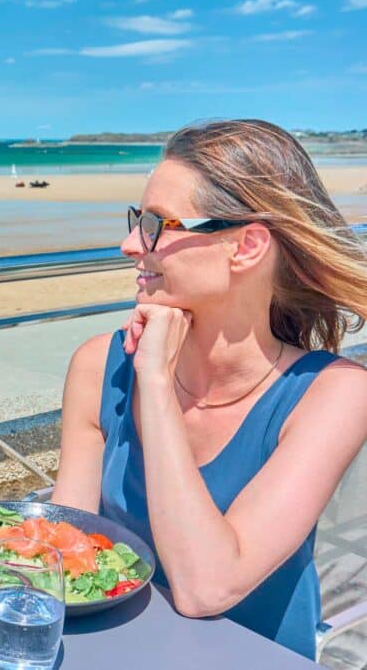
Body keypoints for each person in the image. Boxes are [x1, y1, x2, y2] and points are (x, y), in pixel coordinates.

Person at [51, 119, 367, 660]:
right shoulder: (96, 366)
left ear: (246, 246)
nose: (131, 245)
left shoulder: (336, 394)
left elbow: (207, 587)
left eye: (158, 225)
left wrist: (153, 382)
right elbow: (63, 553)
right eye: (137, 221)